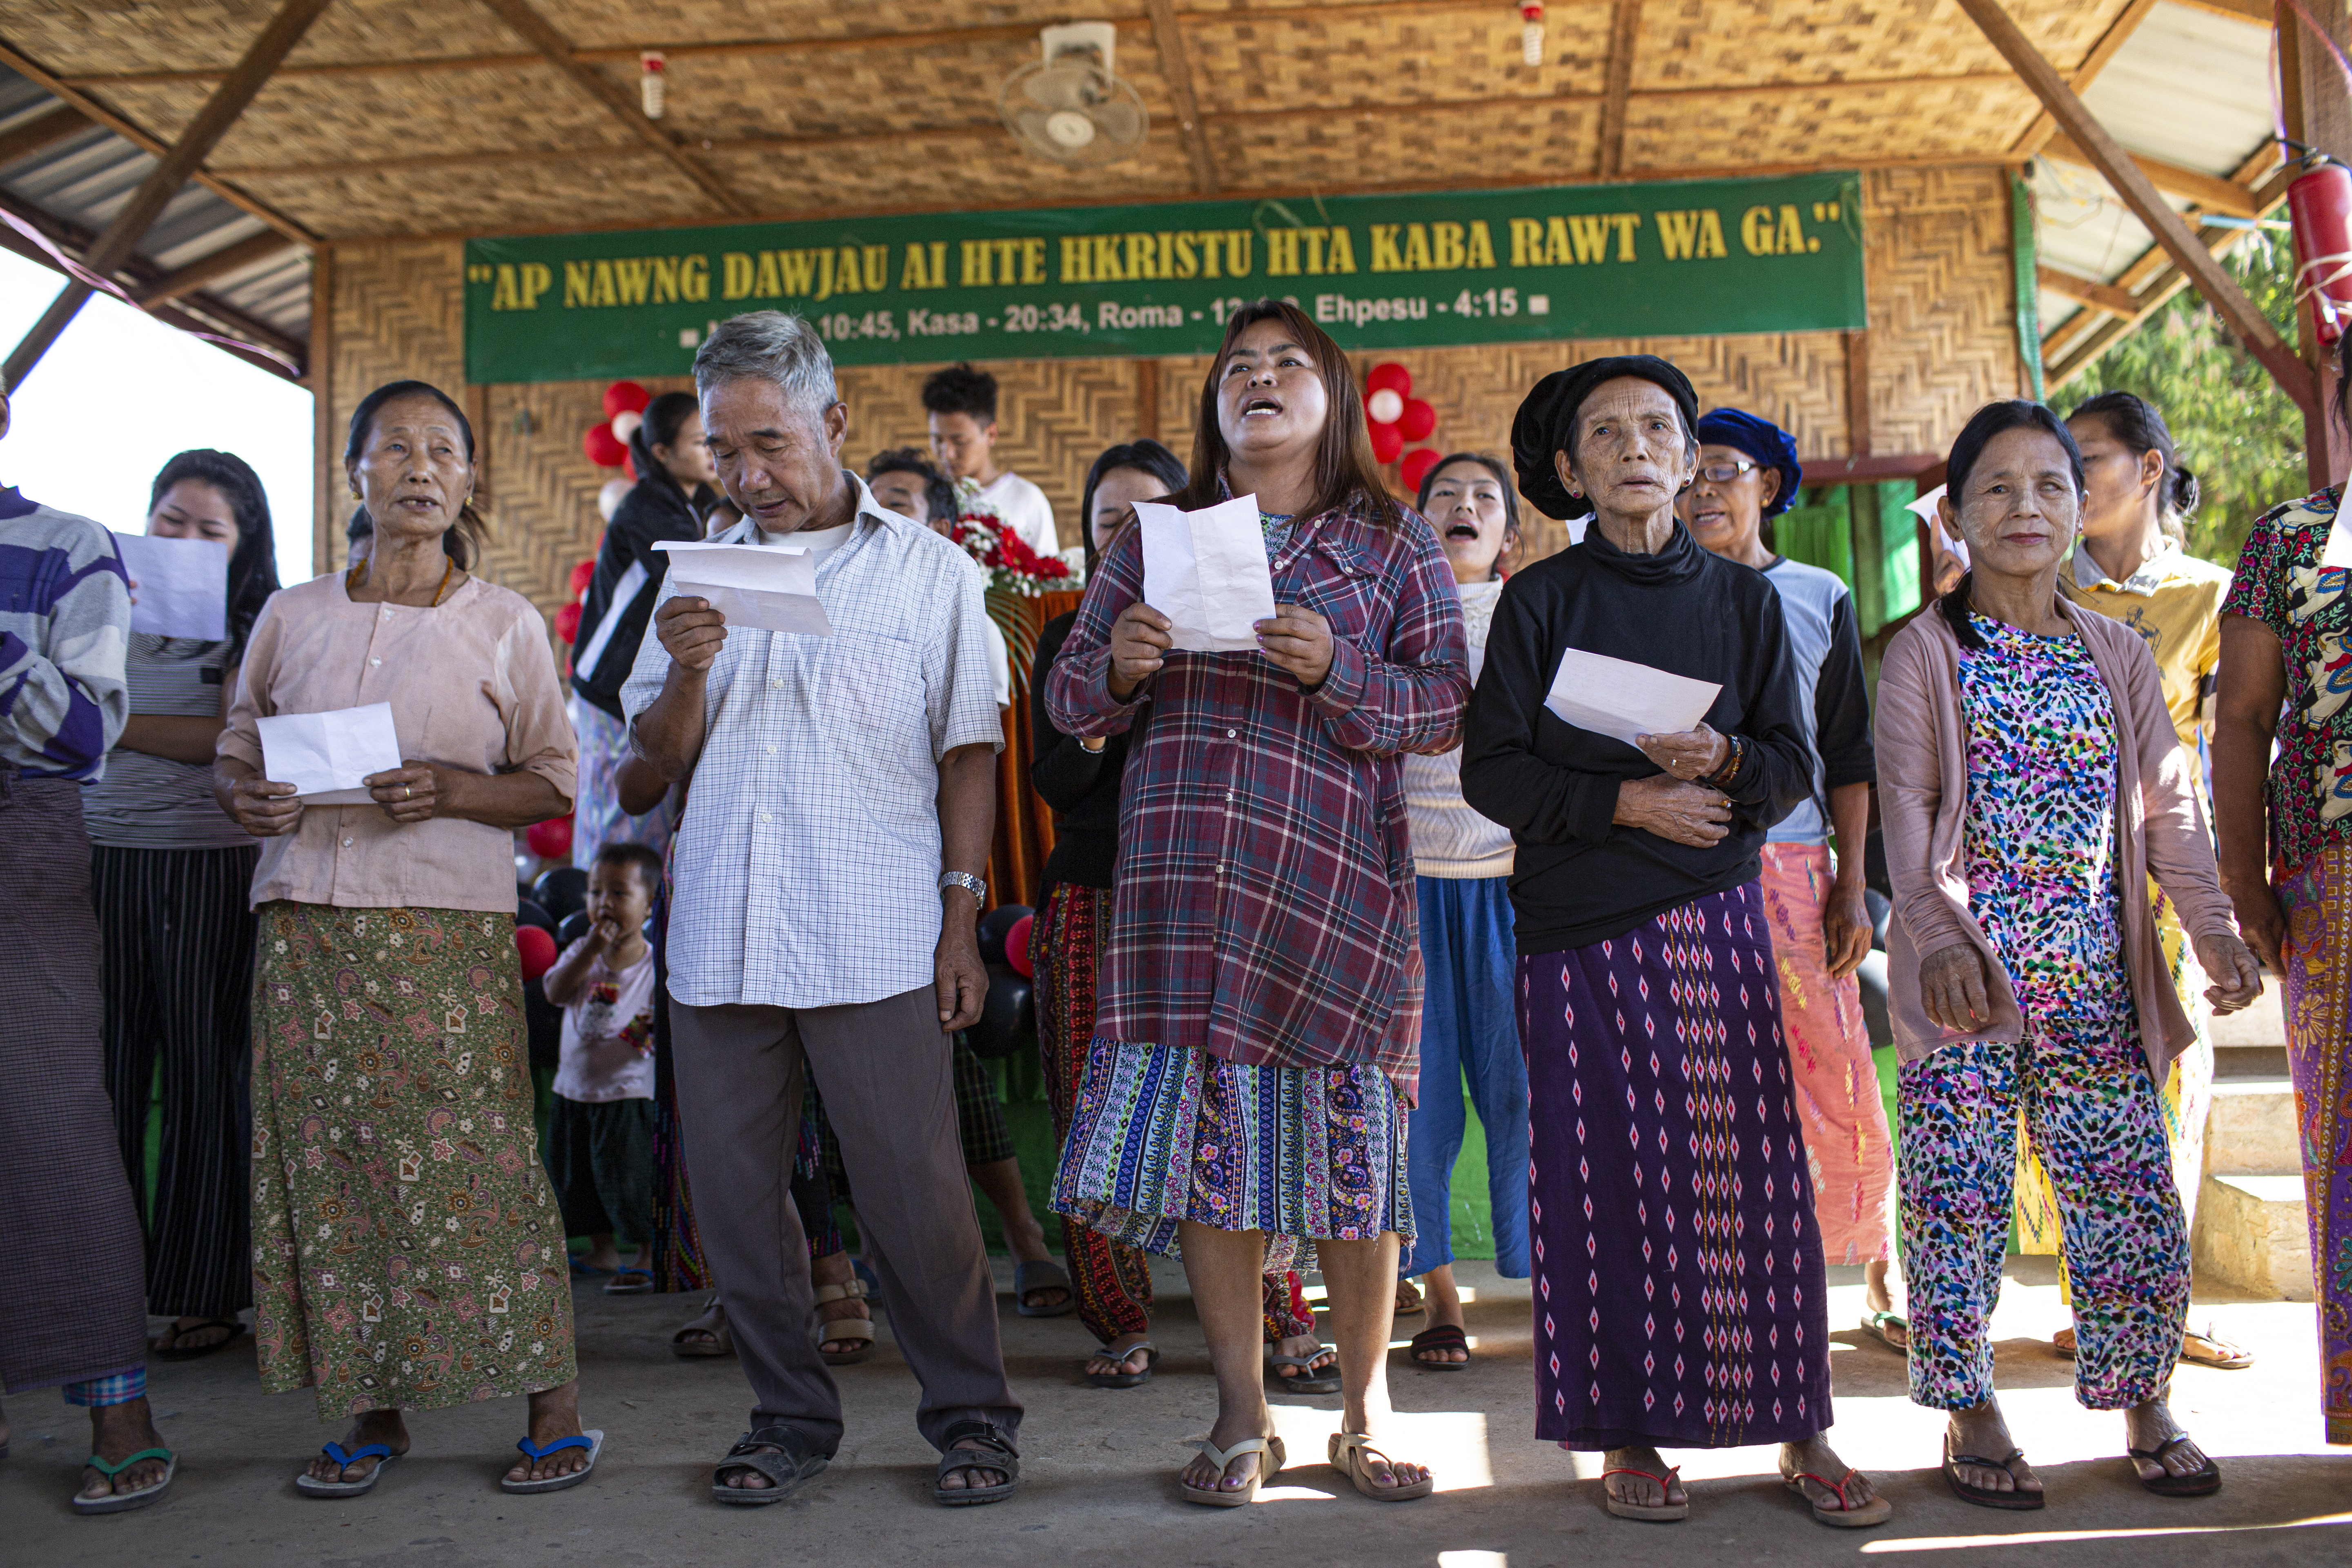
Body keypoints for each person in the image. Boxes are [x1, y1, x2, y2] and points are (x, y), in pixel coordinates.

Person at [1047, 300, 1465, 1506]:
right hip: (1181, 897)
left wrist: (1340, 668)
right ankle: (1241, 1414)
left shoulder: (1392, 542)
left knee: (1353, 1157)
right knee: (1206, 1156)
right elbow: (1071, 695)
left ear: (1332, 396)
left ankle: (1366, 1409)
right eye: (1239, 365)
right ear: (1215, 400)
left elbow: (1446, 701)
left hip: (1337, 897)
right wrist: (1118, 667)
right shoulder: (1156, 537)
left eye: (1287, 363)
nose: (1260, 378)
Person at [1462, 354, 1882, 1528]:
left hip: (1712, 917)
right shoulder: (1538, 603)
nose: (1635, 447)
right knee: (1601, 1180)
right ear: (1568, 469)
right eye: (1604, 433)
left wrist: (1726, 758)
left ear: (1691, 456)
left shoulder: (1745, 603)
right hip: (1575, 927)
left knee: (1751, 1180)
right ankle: (1626, 1432)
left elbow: (1792, 763)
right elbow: (1493, 769)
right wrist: (1625, 802)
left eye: (1657, 427)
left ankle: (1801, 1425)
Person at [624, 311, 1020, 1507]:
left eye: (770, 443)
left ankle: (971, 1412)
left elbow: (967, 749)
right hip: (723, 937)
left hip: (873, 930)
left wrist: (959, 919)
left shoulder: (931, 571)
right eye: (723, 451)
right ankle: (788, 1416)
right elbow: (644, 775)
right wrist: (687, 667)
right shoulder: (695, 575)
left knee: (915, 1194)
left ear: (833, 422)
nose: (746, 474)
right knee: (739, 1207)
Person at [1876, 400, 2262, 1508]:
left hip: (2094, 979)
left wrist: (2211, 924)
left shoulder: (2116, 652)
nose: (2026, 507)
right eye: (1995, 487)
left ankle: (2145, 1397)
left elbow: (2167, 808)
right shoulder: (1922, 653)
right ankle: (1969, 1406)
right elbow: (1907, 811)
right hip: (1963, 984)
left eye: (2049, 484)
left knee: (2125, 1191)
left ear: (2079, 504)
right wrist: (1938, 940)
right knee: (1956, 1195)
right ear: (1955, 516)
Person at [217, 378, 597, 1497]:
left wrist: (452, 790)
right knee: (333, 1170)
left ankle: (554, 1405)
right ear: (357, 473)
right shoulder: (292, 614)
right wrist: (245, 793)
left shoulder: (503, 622)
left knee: (480, 1161)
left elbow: (554, 779)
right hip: (305, 928)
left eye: (442, 449)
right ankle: (372, 1409)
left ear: (469, 481)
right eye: (394, 448)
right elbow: (240, 741)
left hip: (442, 931)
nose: (419, 467)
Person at [1030, 438, 1336, 1392]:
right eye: (1111, 522)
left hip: (1224, 901)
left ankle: (1281, 1311)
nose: (1130, 534)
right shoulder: (1070, 639)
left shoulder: (1259, 632)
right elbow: (1057, 781)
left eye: (1153, 517)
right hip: (1099, 896)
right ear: (1092, 539)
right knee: (1091, 1104)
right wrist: (1114, 685)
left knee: (1247, 1105)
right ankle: (1118, 1315)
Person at [2036, 391, 2246, 1370]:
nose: (2070, 480)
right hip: (2052, 877)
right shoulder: (2034, 589)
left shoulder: (2212, 596)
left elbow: (2223, 746)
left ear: (2148, 468)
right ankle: (2092, 1303)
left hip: (2168, 878)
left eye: (2086, 458)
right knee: (2074, 1084)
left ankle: (2164, 1302)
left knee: (2174, 1079)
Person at [1676, 410, 1896, 1343]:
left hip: (1798, 866)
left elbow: (1848, 750)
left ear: (1767, 485)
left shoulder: (1819, 594)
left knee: (1839, 1066)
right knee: (1708, 1084)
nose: (1701, 490)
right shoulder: (1655, 596)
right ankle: (1730, 1281)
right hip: (1683, 869)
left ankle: (1879, 1264)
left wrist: (1850, 883)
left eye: (1721, 471)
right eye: (1687, 475)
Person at [0, 375, 172, 1515]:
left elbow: (80, 733)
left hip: (20, 845)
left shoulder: (67, 549)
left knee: (52, 1123)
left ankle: (120, 1407)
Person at [85, 450, 281, 1365]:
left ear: (243, 544)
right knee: (104, 1076)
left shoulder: (255, 623)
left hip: (209, 865)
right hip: (99, 858)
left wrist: (105, 722)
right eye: (172, 520)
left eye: (211, 529)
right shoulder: (101, 605)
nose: (186, 539)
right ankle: (94, 1290)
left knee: (207, 1070)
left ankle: (206, 1291)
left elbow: (226, 741)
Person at [2213, 332, 2352, 1450]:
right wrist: (2240, 875)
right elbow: (2242, 718)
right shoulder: (2292, 541)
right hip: (2332, 873)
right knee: (2344, 1138)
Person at [1392, 452, 1529, 1370]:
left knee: (1525, 1095)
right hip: (1409, 889)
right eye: (1444, 495)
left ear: (1511, 531)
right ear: (1418, 523)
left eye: (1484, 497)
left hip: (1515, 886)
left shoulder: (1536, 615)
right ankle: (1439, 1291)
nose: (1464, 507)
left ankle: (1549, 1279)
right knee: (1422, 1104)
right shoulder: (1390, 614)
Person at [570, 391, 717, 866]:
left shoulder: (703, 502)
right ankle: (600, 904)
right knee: (613, 814)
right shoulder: (647, 508)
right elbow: (696, 583)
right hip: (610, 683)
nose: (712, 453)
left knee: (653, 817)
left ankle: (641, 909)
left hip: (648, 681)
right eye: (699, 442)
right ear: (662, 452)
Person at [541, 842, 664, 1296]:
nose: (604, 903)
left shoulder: (654, 966)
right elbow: (555, 993)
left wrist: (647, 1028)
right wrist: (590, 950)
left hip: (625, 1093)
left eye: (619, 893)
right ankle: (602, 1250)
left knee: (628, 1180)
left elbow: (656, 1026)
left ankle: (647, 1255)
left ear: (649, 905)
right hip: (573, 1089)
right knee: (577, 1179)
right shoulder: (581, 950)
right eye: (595, 892)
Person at [867, 447, 1015, 714]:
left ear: (939, 529)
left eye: (896, 505)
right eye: (868, 505)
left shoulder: (974, 627)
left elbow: (974, 731)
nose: (875, 517)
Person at [924, 361, 1059, 559]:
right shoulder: (925, 496)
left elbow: (1047, 574)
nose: (948, 454)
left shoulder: (1027, 500)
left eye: (960, 442)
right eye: (937, 440)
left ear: (991, 434)